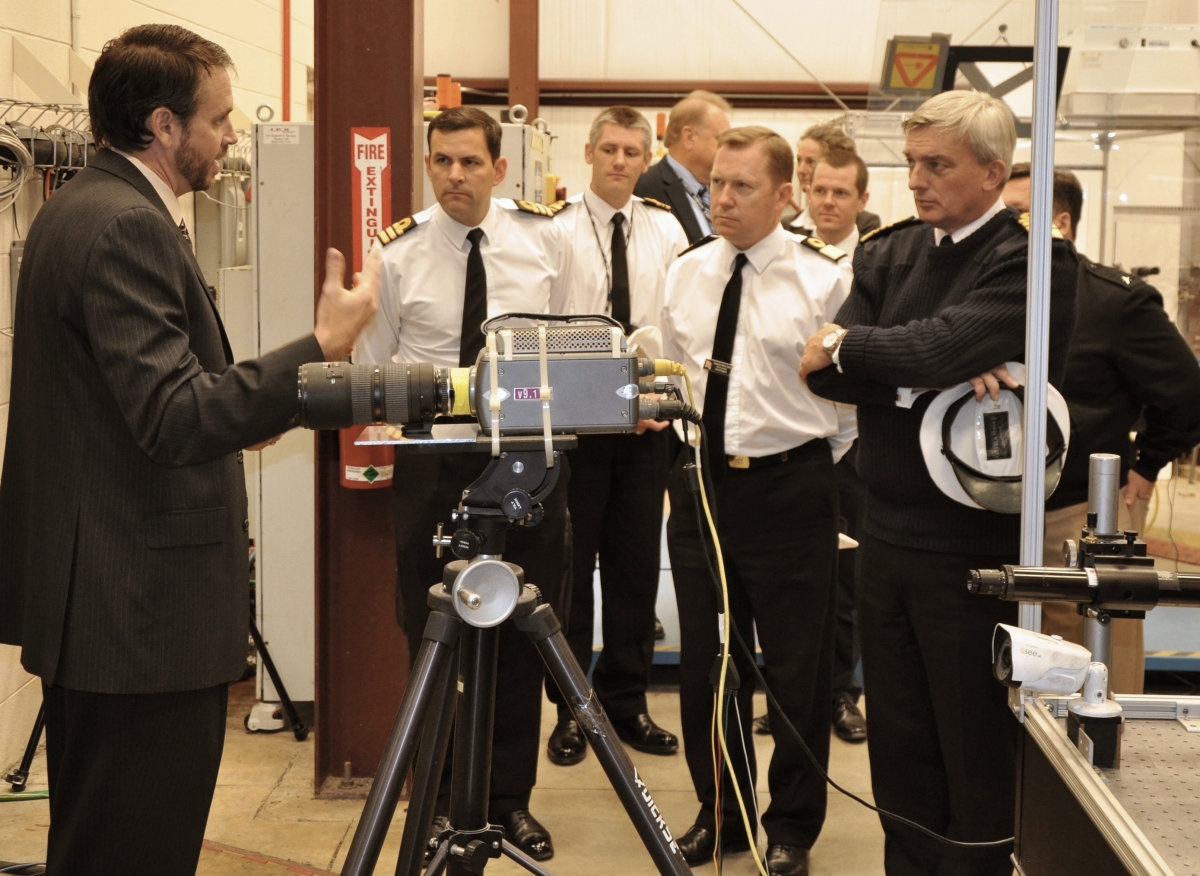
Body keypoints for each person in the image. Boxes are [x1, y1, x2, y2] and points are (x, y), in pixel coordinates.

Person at [0, 25, 379, 875]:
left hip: (113, 607)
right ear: (164, 126)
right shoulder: (122, 226)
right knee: (133, 851)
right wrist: (317, 345)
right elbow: (173, 417)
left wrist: (248, 407)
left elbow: (136, 404)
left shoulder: (91, 210)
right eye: (220, 117)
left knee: (110, 843)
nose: (234, 133)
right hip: (136, 616)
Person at [800, 90, 1078, 876]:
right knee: (900, 743)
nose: (917, 180)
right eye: (912, 163)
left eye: (938, 166)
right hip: (884, 535)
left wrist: (872, 351)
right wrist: (917, 374)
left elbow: (923, 348)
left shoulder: (1031, 260)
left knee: (971, 742)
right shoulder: (889, 253)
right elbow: (826, 372)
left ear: (994, 174)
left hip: (974, 550)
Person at [353, 106, 572, 862]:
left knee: (520, 631)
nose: (454, 176)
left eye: (469, 162)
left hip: (527, 457)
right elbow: (376, 363)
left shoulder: (548, 242)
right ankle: (442, 802)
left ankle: (509, 803)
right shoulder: (398, 254)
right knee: (433, 632)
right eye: (441, 161)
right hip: (434, 463)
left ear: (499, 169)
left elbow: (575, 339)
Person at [663, 126, 855, 876]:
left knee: (797, 666)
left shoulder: (824, 280)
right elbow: (676, 371)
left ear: (785, 195)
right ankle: (724, 812)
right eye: (715, 183)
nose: (723, 199)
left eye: (742, 187)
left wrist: (797, 461)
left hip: (791, 486)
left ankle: (792, 827)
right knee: (708, 662)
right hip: (704, 485)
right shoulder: (686, 273)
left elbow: (850, 408)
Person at [1003, 163, 1200, 694]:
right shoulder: (993, 297)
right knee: (1013, 662)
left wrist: (1147, 464)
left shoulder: (1115, 301)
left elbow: (1186, 392)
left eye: (1018, 215)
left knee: (1094, 660)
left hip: (1079, 512)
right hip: (996, 510)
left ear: (1061, 223)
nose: (1003, 227)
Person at [545, 106, 688, 768]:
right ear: (588, 151)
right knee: (572, 576)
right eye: (609, 149)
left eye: (633, 151)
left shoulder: (667, 230)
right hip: (577, 426)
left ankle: (627, 704)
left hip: (647, 427)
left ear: (646, 155)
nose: (621, 161)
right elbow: (542, 333)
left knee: (633, 570)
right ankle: (573, 710)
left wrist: (660, 402)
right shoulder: (554, 231)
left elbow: (680, 329)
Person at [755, 147, 871, 744]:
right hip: (795, 451)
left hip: (851, 450)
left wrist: (840, 446)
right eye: (819, 190)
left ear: (861, 202)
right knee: (782, 587)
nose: (827, 201)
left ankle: (841, 693)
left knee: (842, 581)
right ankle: (783, 693)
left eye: (840, 193)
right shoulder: (785, 259)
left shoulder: (877, 261)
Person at [634, 90, 731, 244]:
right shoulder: (645, 188)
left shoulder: (723, 189)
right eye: (720, 139)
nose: (727, 148)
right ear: (689, 137)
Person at [786, 119, 881, 237]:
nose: (801, 170)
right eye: (799, 160)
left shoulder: (865, 225)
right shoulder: (785, 227)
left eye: (811, 162)